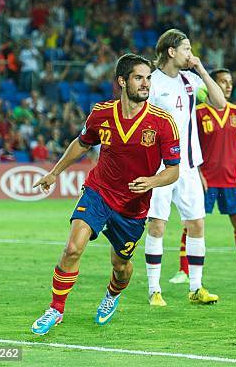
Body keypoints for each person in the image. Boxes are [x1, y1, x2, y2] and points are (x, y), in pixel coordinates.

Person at [30, 53, 180, 335]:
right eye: (139, 78)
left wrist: (151, 181)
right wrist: (54, 172)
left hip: (134, 206)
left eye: (148, 78)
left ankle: (112, 295)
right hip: (99, 191)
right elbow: (82, 143)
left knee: (121, 265)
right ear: (122, 81)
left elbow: (174, 170)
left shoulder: (163, 122)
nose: (146, 84)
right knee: (73, 248)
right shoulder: (101, 112)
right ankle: (55, 309)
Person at [144, 29, 226, 307]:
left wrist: (202, 69)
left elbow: (220, 102)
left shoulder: (191, 81)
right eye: (186, 49)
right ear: (171, 51)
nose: (191, 54)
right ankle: (154, 290)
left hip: (189, 166)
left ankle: (196, 287)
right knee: (157, 225)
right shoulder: (151, 83)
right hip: (159, 168)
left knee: (196, 225)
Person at [171, 68, 236, 283]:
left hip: (232, 179)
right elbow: (190, 145)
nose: (228, 86)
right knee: (191, 224)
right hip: (204, 180)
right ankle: (183, 271)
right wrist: (197, 171)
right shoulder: (198, 113)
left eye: (230, 82)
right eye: (223, 82)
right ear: (211, 85)